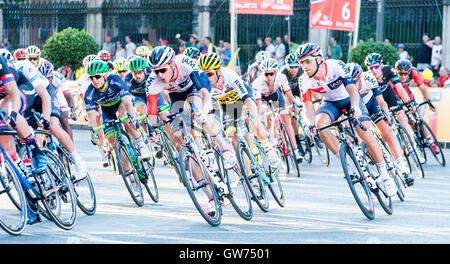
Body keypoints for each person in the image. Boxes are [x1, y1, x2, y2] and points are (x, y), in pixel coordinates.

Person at [145, 46, 237, 216]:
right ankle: (210, 197)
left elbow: (205, 93)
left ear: (172, 64)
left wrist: (204, 111)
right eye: (156, 71)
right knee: (179, 139)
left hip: (195, 88)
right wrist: (151, 130)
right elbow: (152, 112)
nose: (160, 75)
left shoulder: (184, 63)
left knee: (195, 110)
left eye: (163, 70)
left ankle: (225, 149)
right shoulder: (153, 81)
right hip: (176, 96)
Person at [297, 43, 397, 196]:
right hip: (331, 103)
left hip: (350, 99)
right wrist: (309, 124)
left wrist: (356, 107)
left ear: (319, 59)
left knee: (364, 134)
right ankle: (350, 165)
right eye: (301, 62)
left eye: (307, 61)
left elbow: (352, 90)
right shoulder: (304, 80)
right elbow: (308, 106)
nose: (304, 65)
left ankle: (384, 175)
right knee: (319, 125)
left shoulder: (336, 66)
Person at [347, 62, 414, 186]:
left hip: (371, 104)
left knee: (387, 132)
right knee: (360, 135)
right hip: (357, 108)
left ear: (361, 77)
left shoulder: (368, 78)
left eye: (356, 82)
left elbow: (381, 102)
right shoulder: (344, 87)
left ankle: (403, 169)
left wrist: (386, 114)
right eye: (351, 83)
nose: (354, 85)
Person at [85, 60, 151, 164]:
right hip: (107, 112)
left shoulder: (115, 80)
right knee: (113, 141)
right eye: (91, 77)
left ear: (105, 75)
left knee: (122, 115)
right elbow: (92, 117)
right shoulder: (89, 93)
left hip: (120, 104)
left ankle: (141, 143)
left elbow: (127, 103)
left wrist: (133, 119)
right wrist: (94, 133)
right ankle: (128, 171)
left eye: (97, 76)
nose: (94, 80)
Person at [365, 53, 425, 163]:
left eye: (376, 66)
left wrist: (408, 103)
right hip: (377, 98)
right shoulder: (368, 78)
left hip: (388, 94)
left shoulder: (389, 70)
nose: (374, 70)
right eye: (371, 67)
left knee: (402, 117)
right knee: (384, 125)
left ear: (381, 65)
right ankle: (379, 148)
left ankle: (414, 148)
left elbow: (400, 88)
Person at [252, 58, 303, 162]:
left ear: (275, 72)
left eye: (271, 73)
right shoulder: (257, 83)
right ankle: (271, 137)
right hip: (263, 99)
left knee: (286, 118)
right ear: (263, 74)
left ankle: (295, 150)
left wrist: (294, 103)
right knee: (266, 115)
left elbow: (288, 94)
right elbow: (258, 105)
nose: (269, 76)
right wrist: (260, 114)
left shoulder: (281, 77)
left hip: (275, 96)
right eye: (266, 74)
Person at [280, 52, 306, 158]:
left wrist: (302, 103)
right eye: (291, 67)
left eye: (296, 66)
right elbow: (284, 94)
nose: (294, 69)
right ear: (287, 66)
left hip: (297, 91)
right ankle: (297, 141)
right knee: (292, 116)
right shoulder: (283, 73)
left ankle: (307, 129)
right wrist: (291, 107)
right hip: (285, 93)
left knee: (303, 107)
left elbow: (304, 89)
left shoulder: (301, 71)